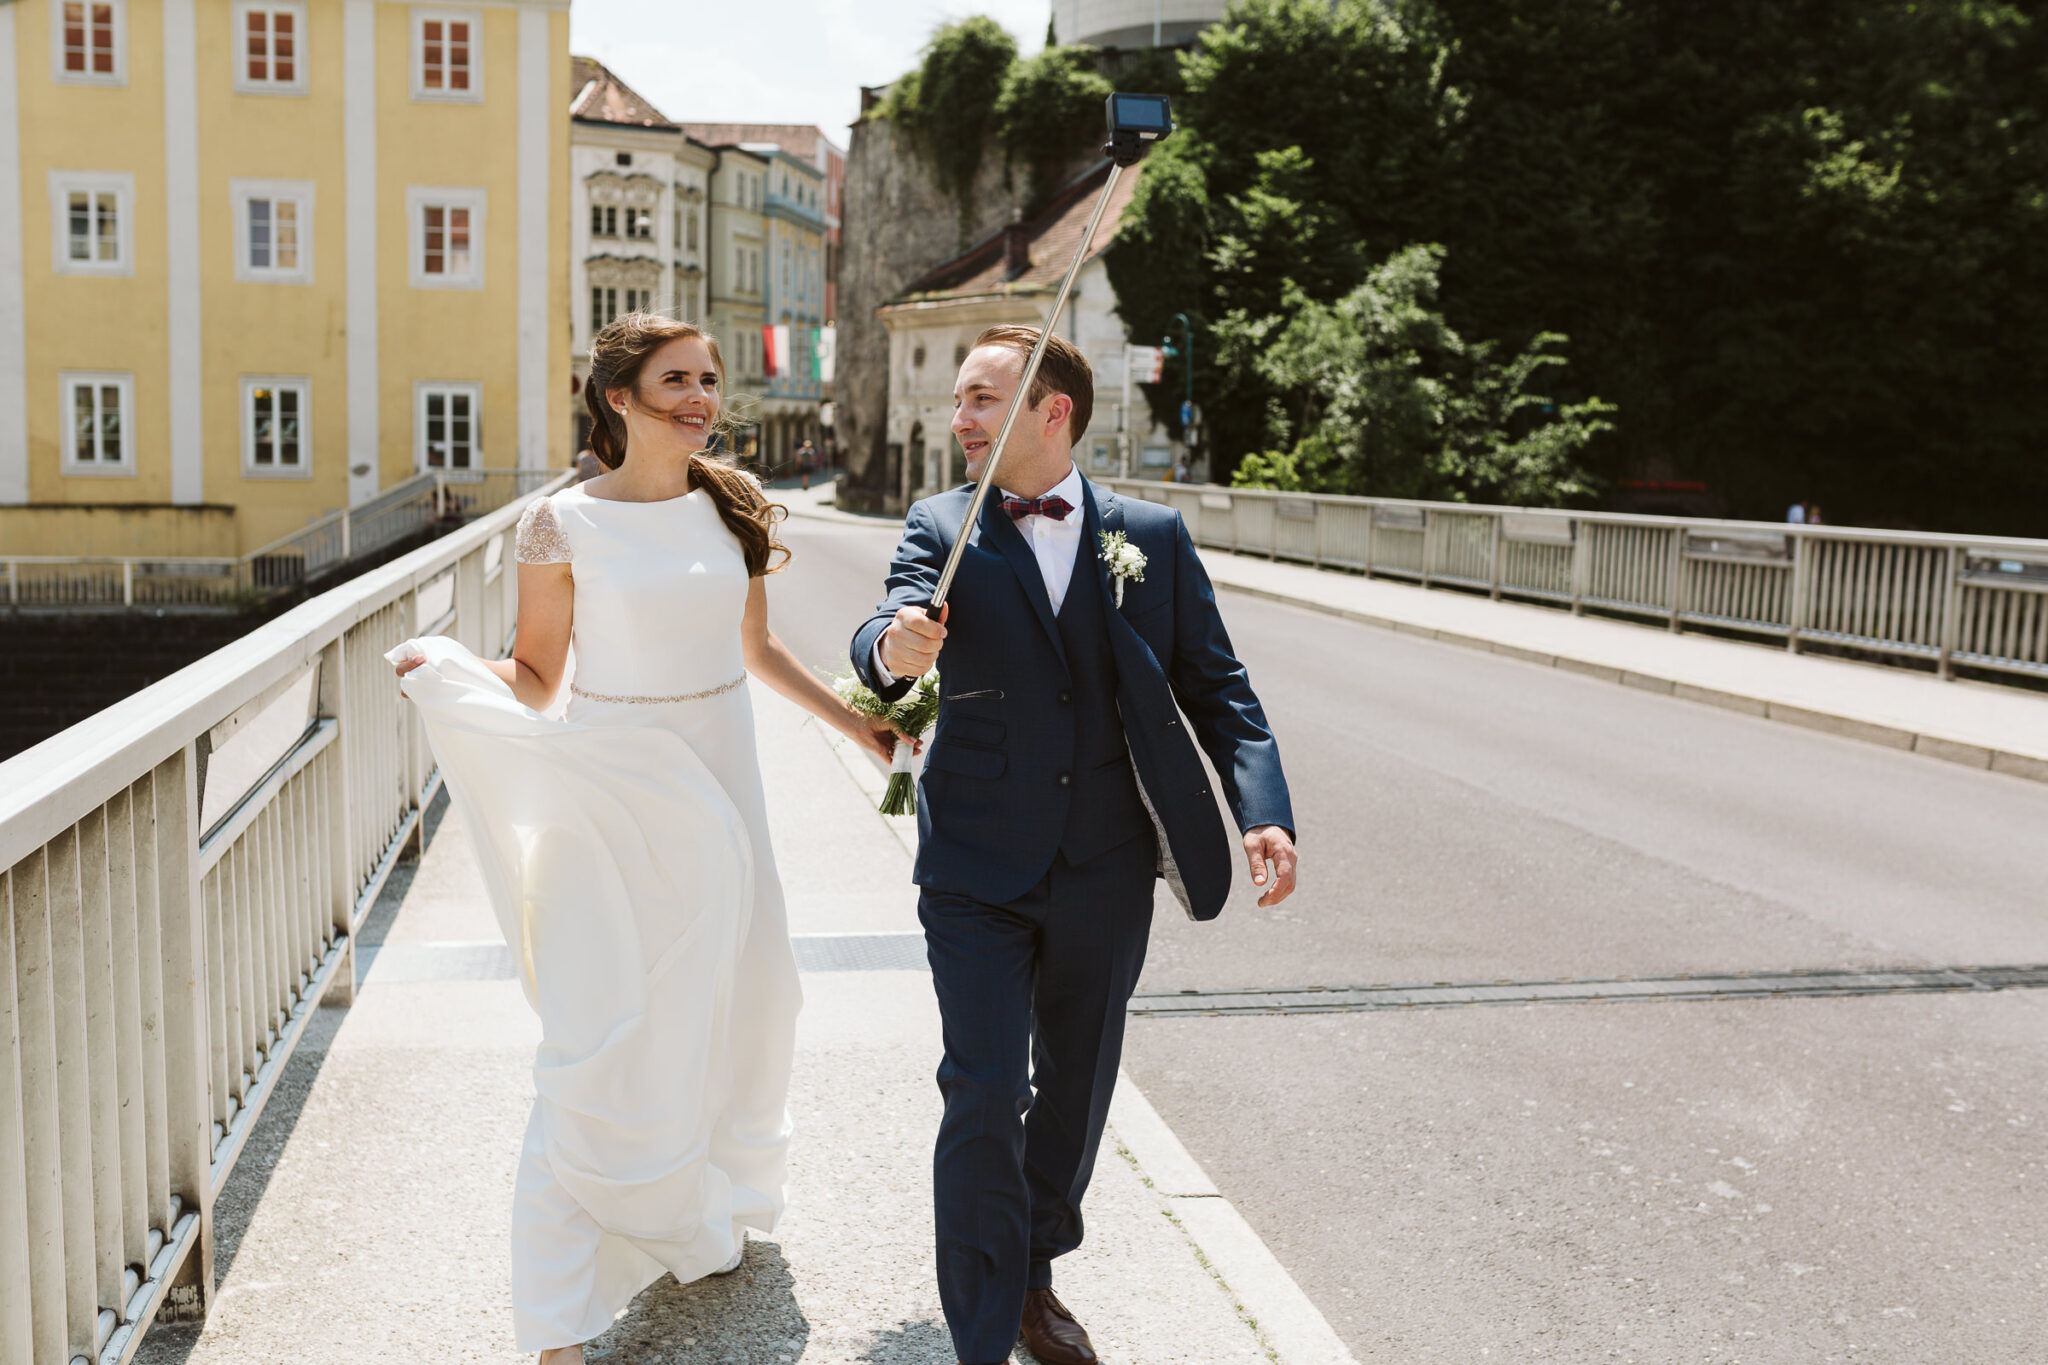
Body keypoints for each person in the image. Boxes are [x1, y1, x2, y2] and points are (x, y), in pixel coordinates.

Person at [391, 317, 904, 1364]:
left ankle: (694, 1206)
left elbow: (754, 648)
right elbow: (536, 678)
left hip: (723, 777)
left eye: (710, 379)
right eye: (676, 379)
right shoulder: (559, 525)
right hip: (617, 789)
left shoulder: (733, 506)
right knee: (605, 1030)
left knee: (749, 1000)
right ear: (617, 397)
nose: (700, 396)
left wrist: (860, 726)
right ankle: (555, 1322)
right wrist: (447, 666)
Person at [849, 326, 1298, 1365]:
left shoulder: (1151, 534)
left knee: (1079, 1083)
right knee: (982, 1083)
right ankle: (977, 1332)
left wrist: (1261, 809)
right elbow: (884, 634)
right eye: (956, 399)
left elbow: (1217, 687)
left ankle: (1031, 1270)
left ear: (1051, 413)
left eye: (977, 399)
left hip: (1104, 863)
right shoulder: (941, 523)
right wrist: (896, 644)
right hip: (973, 863)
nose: (954, 419)